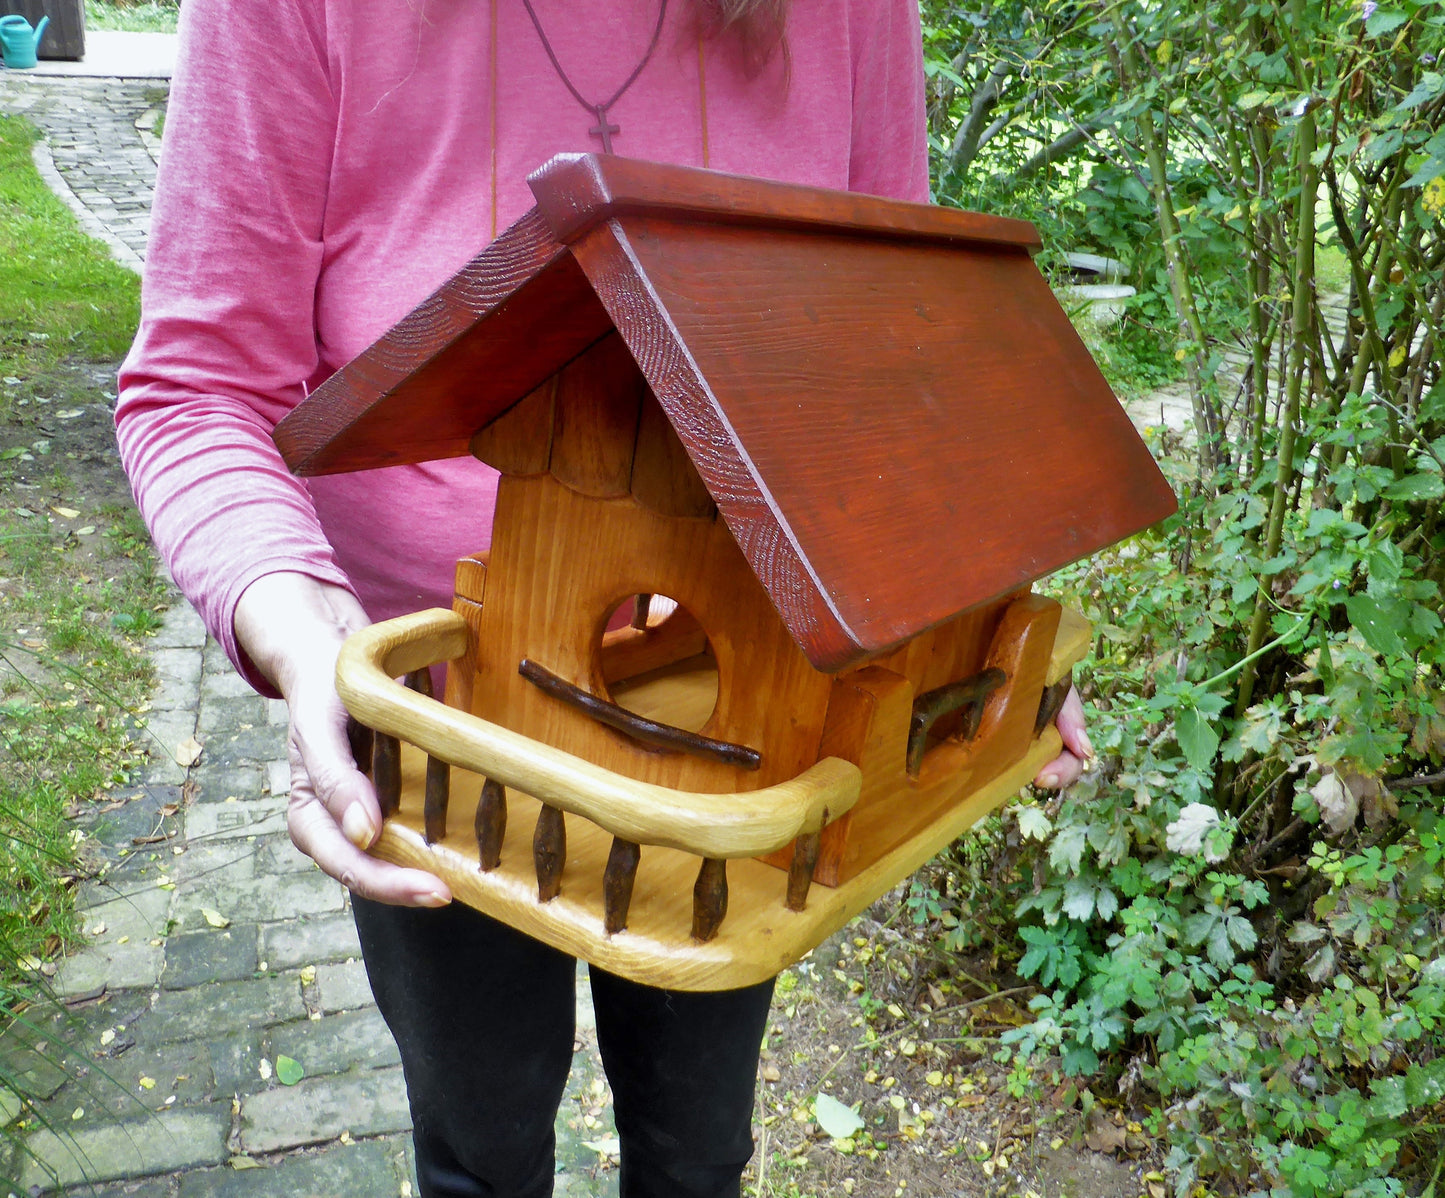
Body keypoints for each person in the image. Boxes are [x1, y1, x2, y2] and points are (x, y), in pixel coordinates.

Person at [116, 1, 1091, 1194]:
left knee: (695, 1145)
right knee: (480, 1144)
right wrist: (302, 629)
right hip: (444, 731)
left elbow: (884, 339)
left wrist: (970, 605)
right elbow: (196, 384)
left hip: (744, 721)